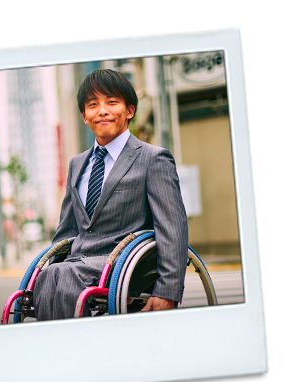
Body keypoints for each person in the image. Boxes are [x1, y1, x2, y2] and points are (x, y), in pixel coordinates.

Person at [33, 69, 188, 321]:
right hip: (76, 264)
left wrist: (167, 291)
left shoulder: (153, 158)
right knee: (47, 277)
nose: (102, 110)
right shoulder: (77, 164)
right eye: (93, 105)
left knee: (62, 277)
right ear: (84, 116)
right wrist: (49, 266)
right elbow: (66, 231)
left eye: (112, 102)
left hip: (124, 265)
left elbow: (172, 227)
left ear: (129, 111)